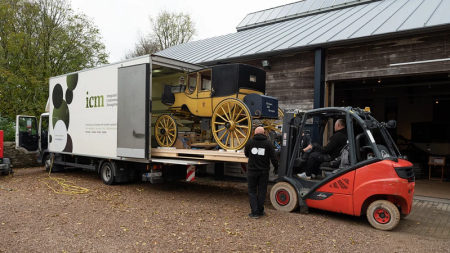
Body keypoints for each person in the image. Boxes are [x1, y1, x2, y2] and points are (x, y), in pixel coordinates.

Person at [244, 126, 279, 219]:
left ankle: (254, 213)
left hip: (252, 171)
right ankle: (260, 211)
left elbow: (246, 153)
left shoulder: (250, 142)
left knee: (252, 191)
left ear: (255, 133)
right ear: (264, 133)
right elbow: (273, 157)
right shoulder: (268, 143)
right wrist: (277, 167)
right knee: (262, 191)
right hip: (264, 171)